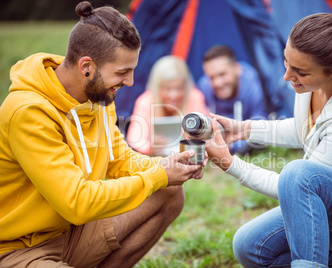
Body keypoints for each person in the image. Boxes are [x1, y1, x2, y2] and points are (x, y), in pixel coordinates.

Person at [0, 2, 207, 268]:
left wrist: (168, 167)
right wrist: (158, 175)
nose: (130, 82)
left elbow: (121, 160)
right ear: (87, 66)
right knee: (159, 182)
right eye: (122, 72)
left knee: (169, 192)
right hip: (18, 247)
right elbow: (77, 202)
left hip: (72, 232)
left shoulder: (98, 98)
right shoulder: (27, 113)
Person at [205, 13, 332, 268]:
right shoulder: (314, 85)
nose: (287, 76)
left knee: (299, 175)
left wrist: (230, 164)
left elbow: (297, 188)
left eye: (300, 71)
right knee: (249, 246)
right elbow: (305, 129)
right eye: (286, 62)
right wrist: (244, 129)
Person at [126, 55, 208, 156]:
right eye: (167, 88)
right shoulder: (145, 101)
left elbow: (206, 134)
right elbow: (135, 138)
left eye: (179, 88)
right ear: (157, 87)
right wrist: (150, 148)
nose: (173, 95)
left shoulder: (194, 97)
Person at [198, 45, 268, 155]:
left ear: (237, 69)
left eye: (222, 74)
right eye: (211, 77)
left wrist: (231, 145)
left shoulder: (252, 84)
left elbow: (260, 124)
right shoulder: (204, 86)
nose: (217, 83)